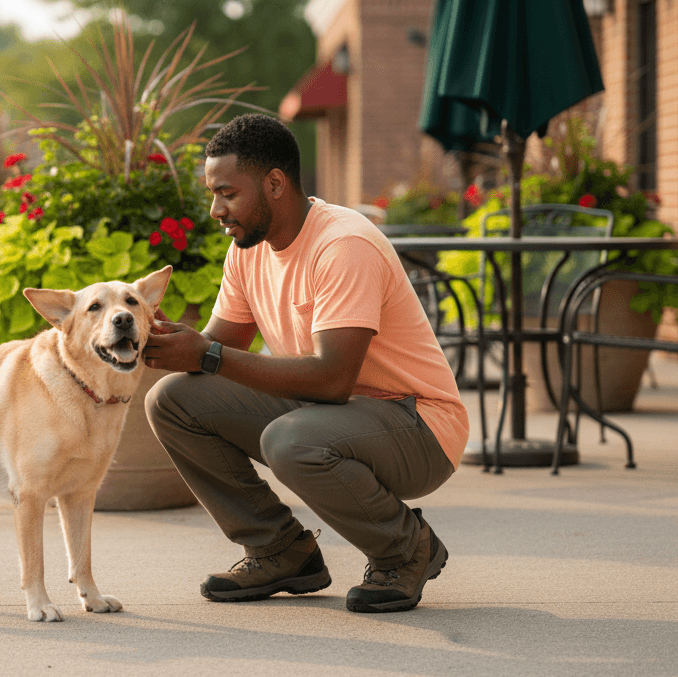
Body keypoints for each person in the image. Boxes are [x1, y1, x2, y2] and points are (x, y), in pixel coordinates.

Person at [143, 113, 469, 613]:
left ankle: (406, 550)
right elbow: (216, 349)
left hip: (418, 424)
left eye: (227, 192)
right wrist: (163, 339)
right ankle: (280, 550)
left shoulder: (342, 245)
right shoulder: (247, 249)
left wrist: (206, 354)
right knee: (174, 400)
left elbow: (334, 379)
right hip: (328, 413)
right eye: (213, 194)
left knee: (290, 440)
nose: (215, 209)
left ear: (274, 183)